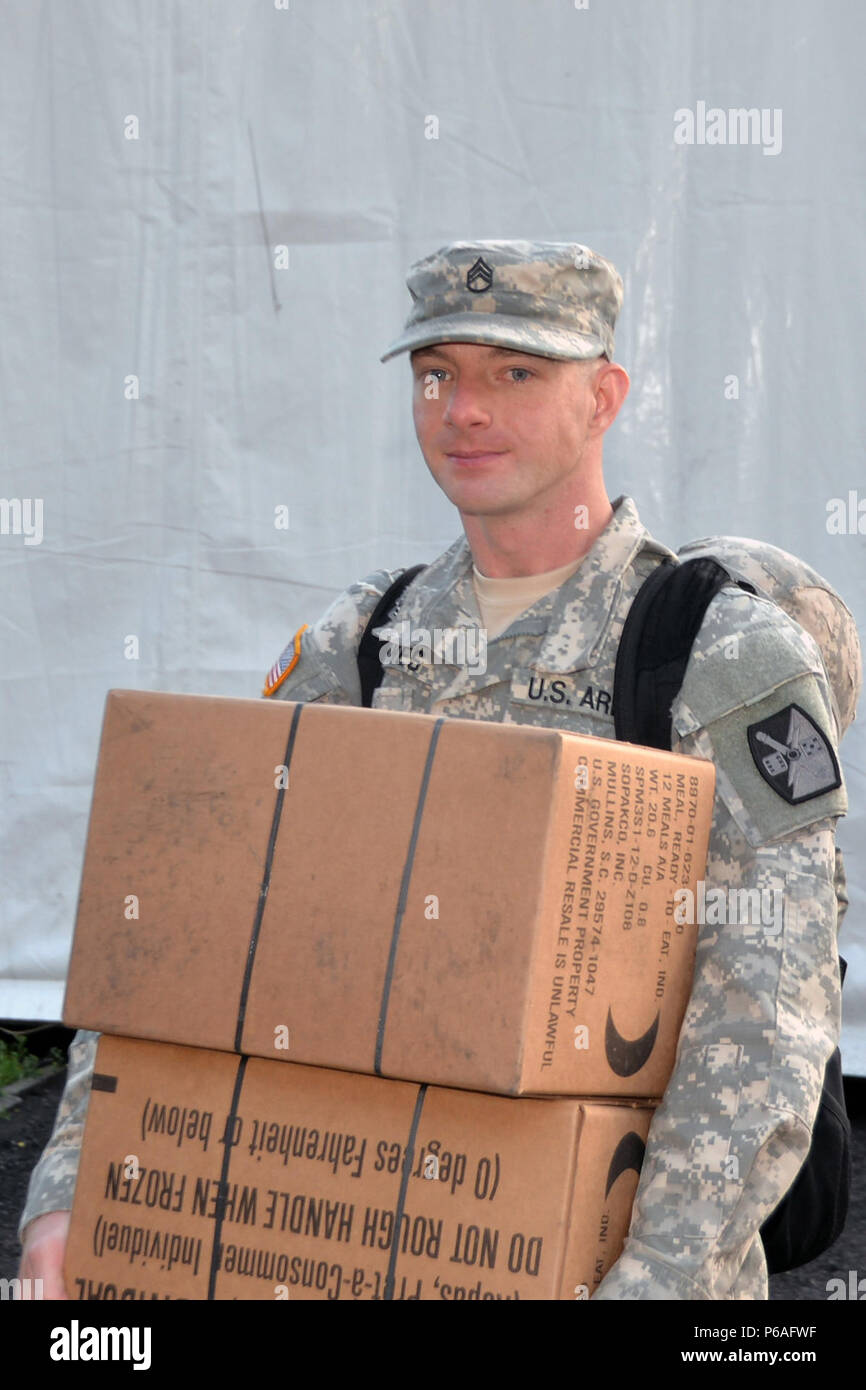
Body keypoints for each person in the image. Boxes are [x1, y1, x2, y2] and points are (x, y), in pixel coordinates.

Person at [18, 240, 853, 1301]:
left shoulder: (712, 655)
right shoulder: (357, 643)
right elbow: (187, 934)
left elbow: (764, 1019)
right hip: (362, 1239)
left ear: (603, 397)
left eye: (514, 373)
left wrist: (650, 1283)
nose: (463, 408)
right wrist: (72, 1187)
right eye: (436, 373)